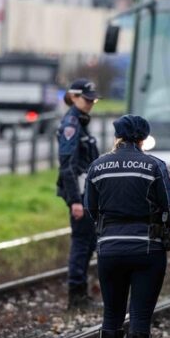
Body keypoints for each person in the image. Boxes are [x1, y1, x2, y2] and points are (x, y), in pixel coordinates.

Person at [83, 115, 170, 338]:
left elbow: (91, 207)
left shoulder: (97, 166)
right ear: (143, 138)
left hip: (109, 250)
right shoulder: (154, 166)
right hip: (147, 250)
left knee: (112, 313)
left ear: (117, 136)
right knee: (140, 314)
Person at [56, 78, 101, 309]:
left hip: (85, 192)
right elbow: (68, 165)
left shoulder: (81, 121)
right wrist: (75, 200)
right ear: (73, 97)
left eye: (93, 100)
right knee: (82, 242)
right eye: (87, 99)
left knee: (89, 240)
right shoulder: (72, 124)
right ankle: (76, 296)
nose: (91, 103)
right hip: (79, 193)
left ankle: (80, 293)